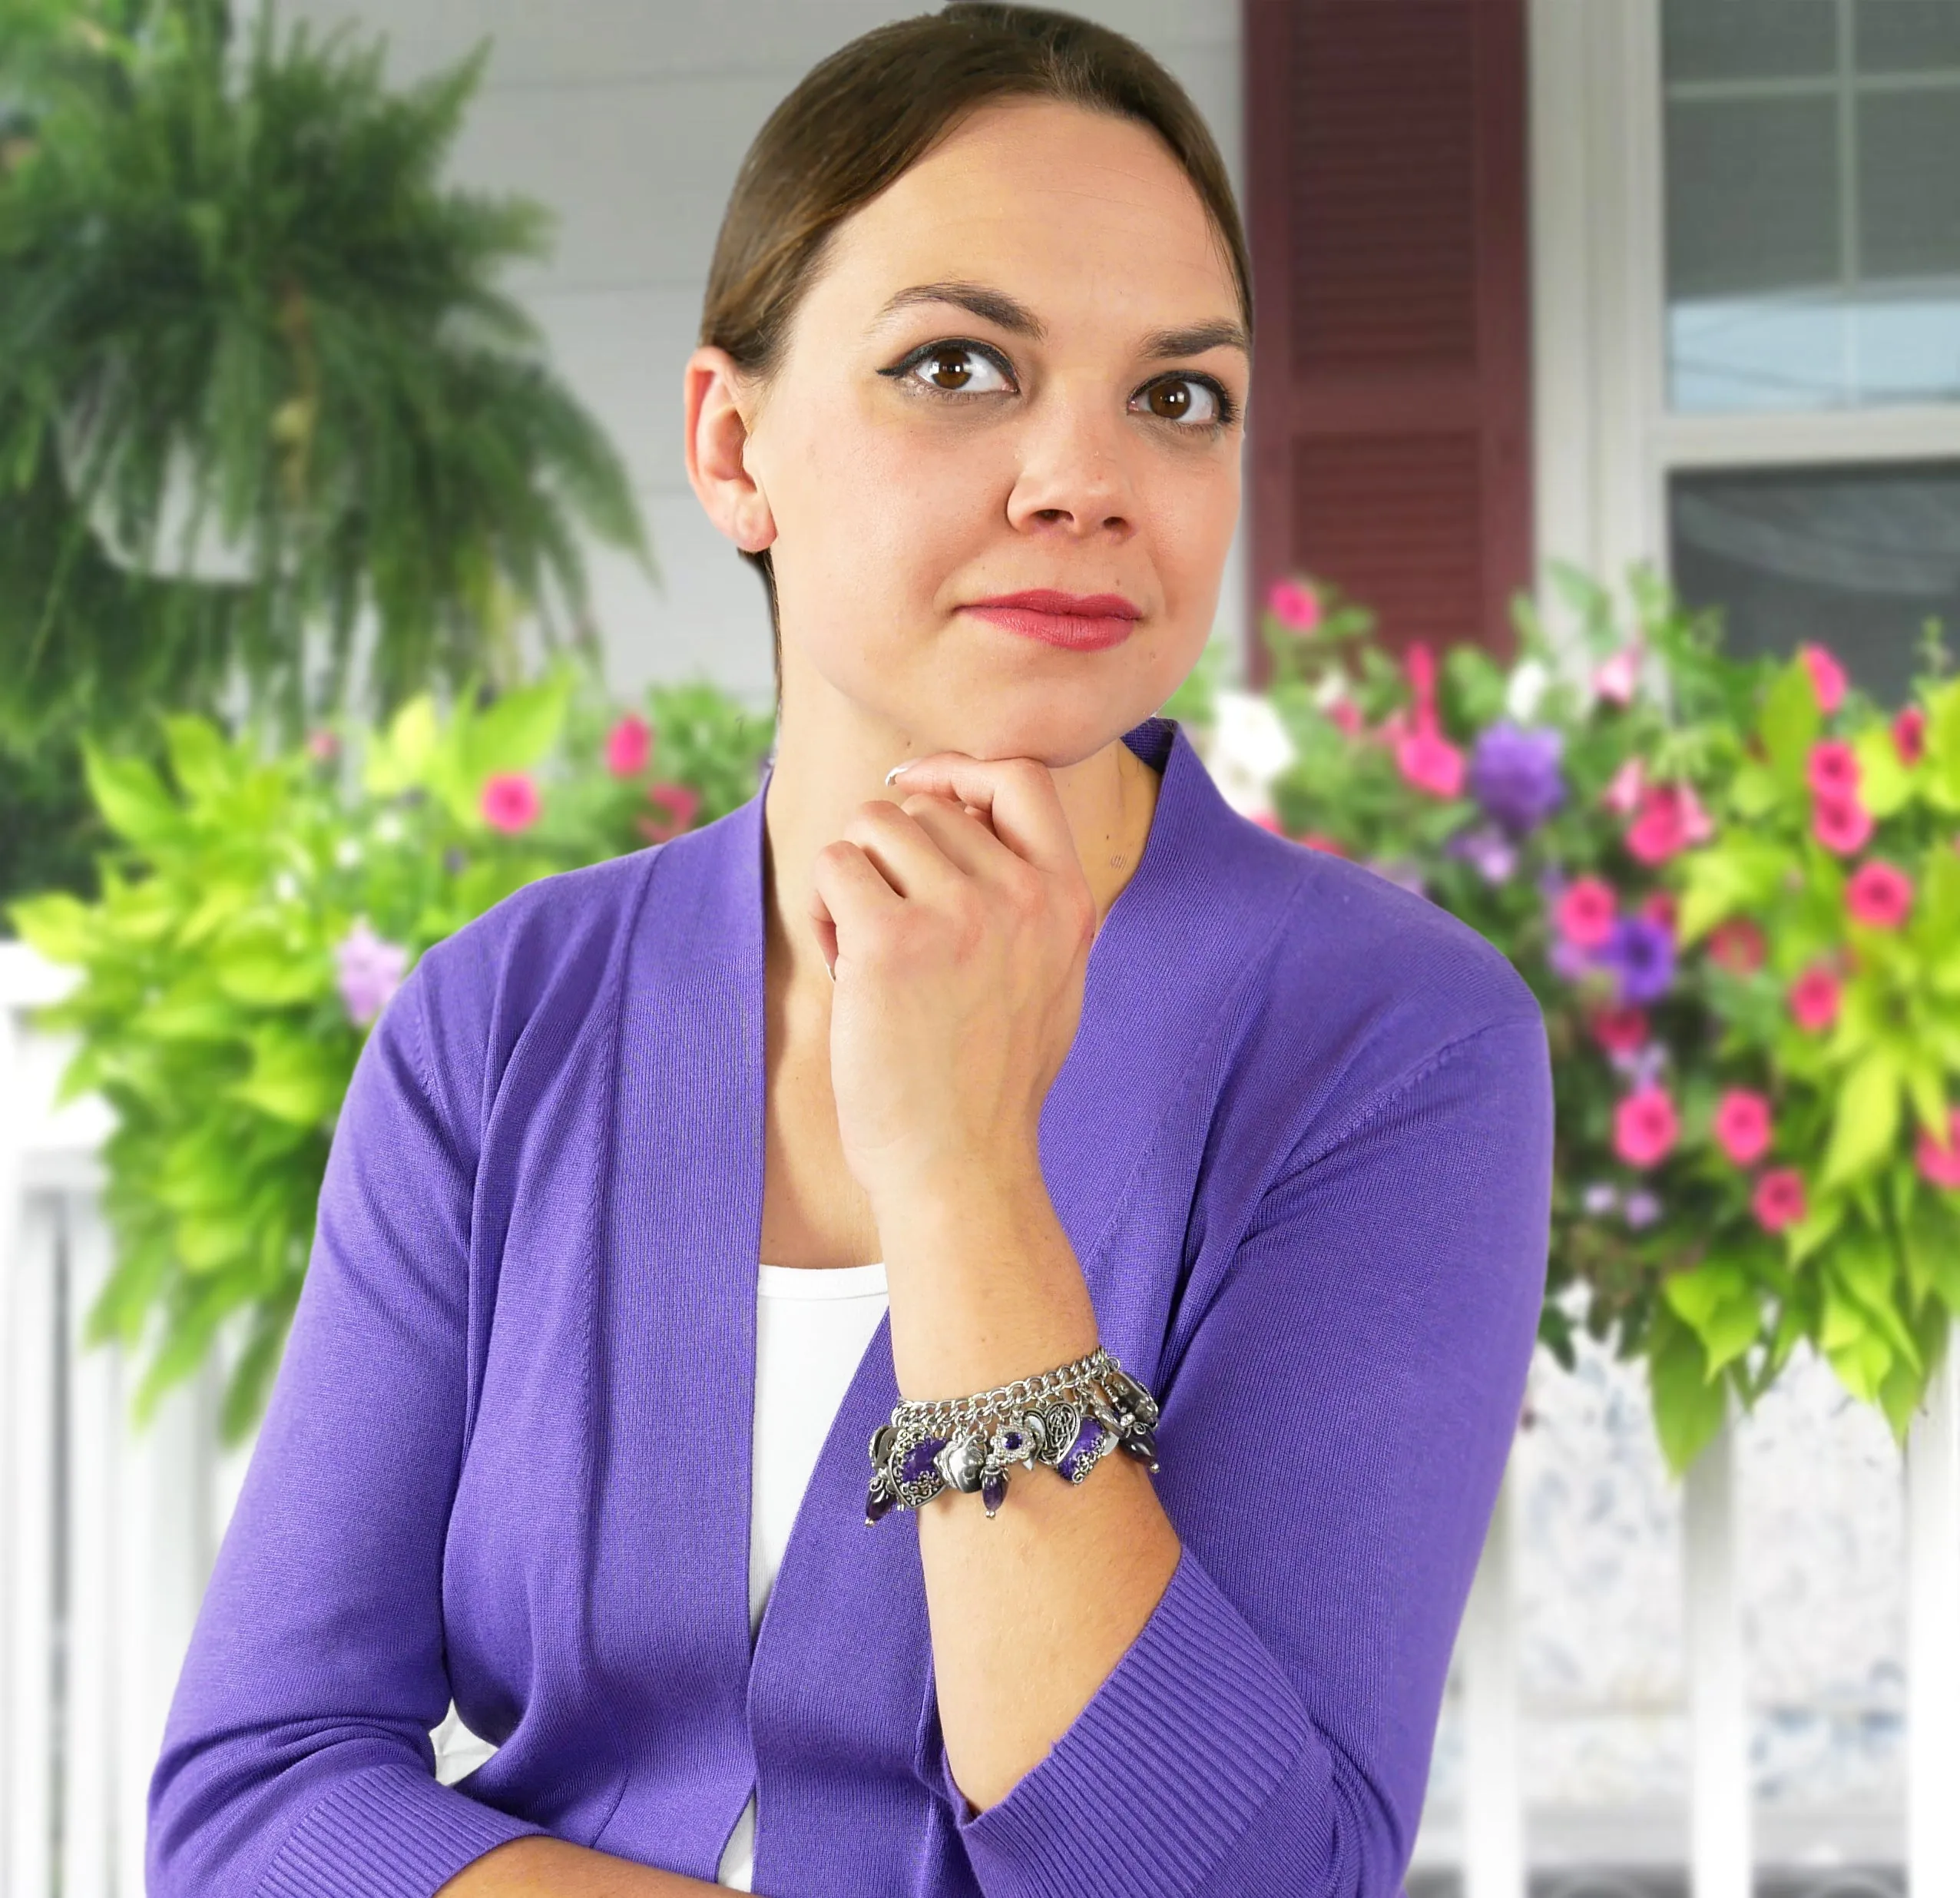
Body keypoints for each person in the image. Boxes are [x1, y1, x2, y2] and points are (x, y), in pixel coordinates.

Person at [146, 6, 1555, 1896]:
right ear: (734, 447)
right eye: (960, 366)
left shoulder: (1392, 1047)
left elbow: (1240, 1875)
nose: (1087, 476)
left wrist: (966, 1178)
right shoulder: (501, 1022)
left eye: (1177, 394)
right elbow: (255, 1803)